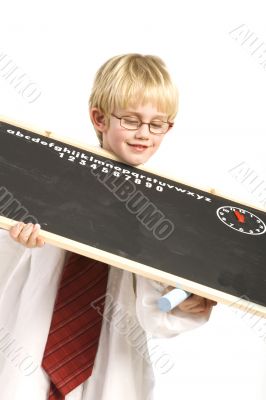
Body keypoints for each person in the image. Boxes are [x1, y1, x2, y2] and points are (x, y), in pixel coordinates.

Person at [0, 54, 216, 400]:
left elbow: (156, 312)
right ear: (99, 117)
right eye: (131, 120)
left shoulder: (164, 213)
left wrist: (182, 301)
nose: (144, 134)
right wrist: (17, 243)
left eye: (158, 124)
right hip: (27, 353)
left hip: (110, 361)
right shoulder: (45, 180)